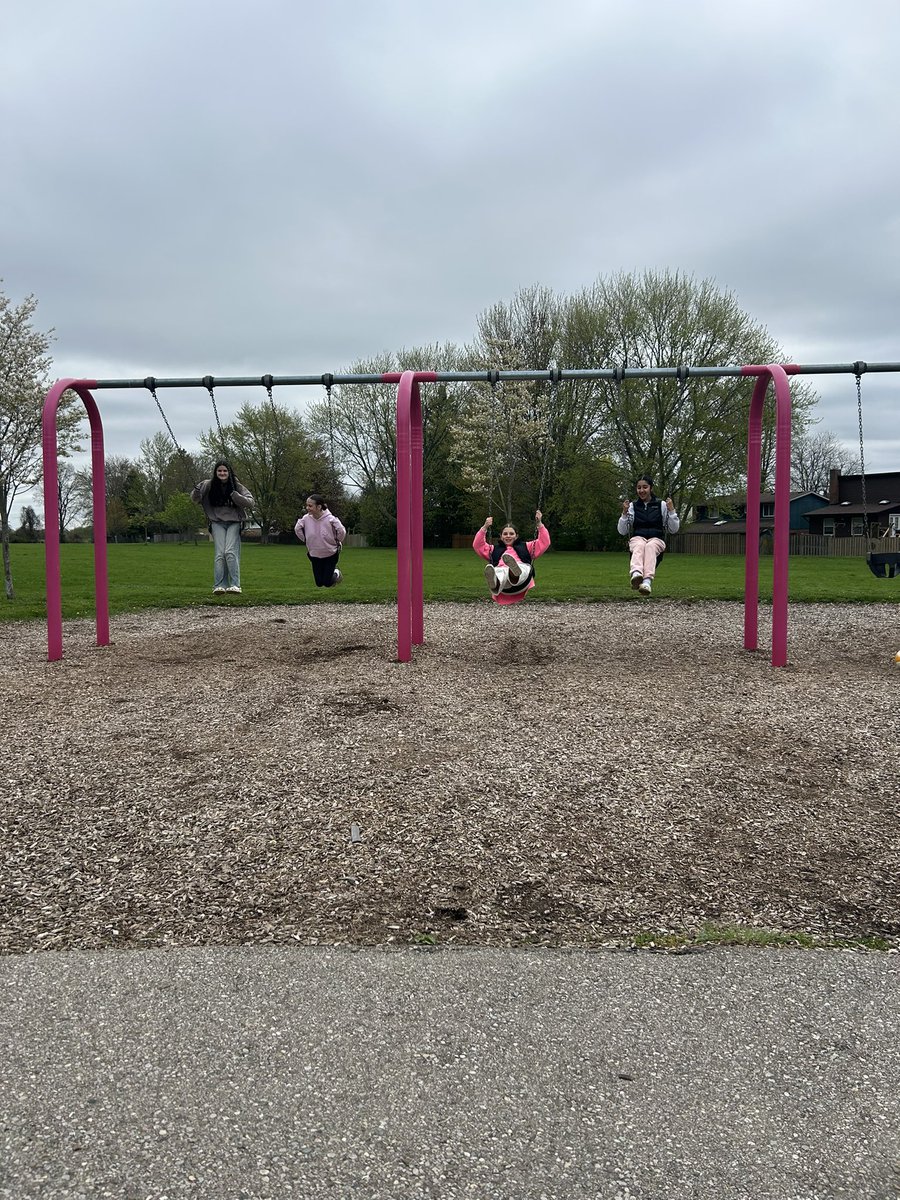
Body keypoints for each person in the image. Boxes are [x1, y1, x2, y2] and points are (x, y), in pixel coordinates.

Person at [191, 461, 254, 595]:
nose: (222, 473)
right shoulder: (208, 484)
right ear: (215, 472)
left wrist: (235, 495)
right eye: (219, 471)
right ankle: (219, 585)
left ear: (229, 472)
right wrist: (196, 492)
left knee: (230, 552)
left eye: (225, 471)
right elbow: (195, 499)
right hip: (217, 522)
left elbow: (250, 502)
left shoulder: (236, 486)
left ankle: (235, 585)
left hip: (234, 522)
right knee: (220, 554)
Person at [617, 474, 680, 595]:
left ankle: (646, 582)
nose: (641, 490)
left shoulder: (661, 505)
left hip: (656, 539)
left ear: (651, 488)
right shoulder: (632, 506)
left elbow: (673, 529)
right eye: (639, 488)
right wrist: (624, 514)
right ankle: (636, 575)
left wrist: (671, 511)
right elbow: (622, 531)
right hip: (638, 538)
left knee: (650, 546)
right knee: (640, 545)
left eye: (645, 487)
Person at [472, 511, 550, 605]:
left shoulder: (527, 546)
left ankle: (514, 573)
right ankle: (494, 582)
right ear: (501, 536)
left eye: (511, 534)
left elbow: (544, 542)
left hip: (522, 580)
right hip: (504, 586)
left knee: (523, 568)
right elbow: (477, 545)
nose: (508, 536)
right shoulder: (493, 549)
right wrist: (485, 527)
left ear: (516, 536)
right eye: (505, 534)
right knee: (498, 571)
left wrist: (539, 524)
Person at [294, 494, 346, 587]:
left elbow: (341, 531)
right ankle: (329, 575)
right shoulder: (306, 518)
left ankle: (336, 572)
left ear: (319, 507)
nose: (307, 508)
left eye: (310, 506)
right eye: (307, 505)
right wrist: (306, 539)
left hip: (330, 554)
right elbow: (297, 529)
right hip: (314, 554)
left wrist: (337, 540)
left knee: (327, 583)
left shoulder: (330, 519)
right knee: (319, 583)